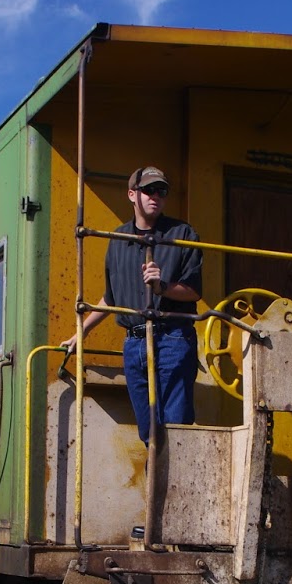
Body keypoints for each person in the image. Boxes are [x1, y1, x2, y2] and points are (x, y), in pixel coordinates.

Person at [61, 167, 203, 443]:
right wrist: (83, 331)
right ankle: (156, 485)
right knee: (149, 432)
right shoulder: (117, 240)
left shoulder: (182, 234)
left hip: (172, 337)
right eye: (148, 190)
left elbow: (194, 291)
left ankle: (173, 487)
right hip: (134, 343)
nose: (155, 196)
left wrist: (162, 287)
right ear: (131, 195)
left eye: (161, 191)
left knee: (176, 430)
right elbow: (111, 298)